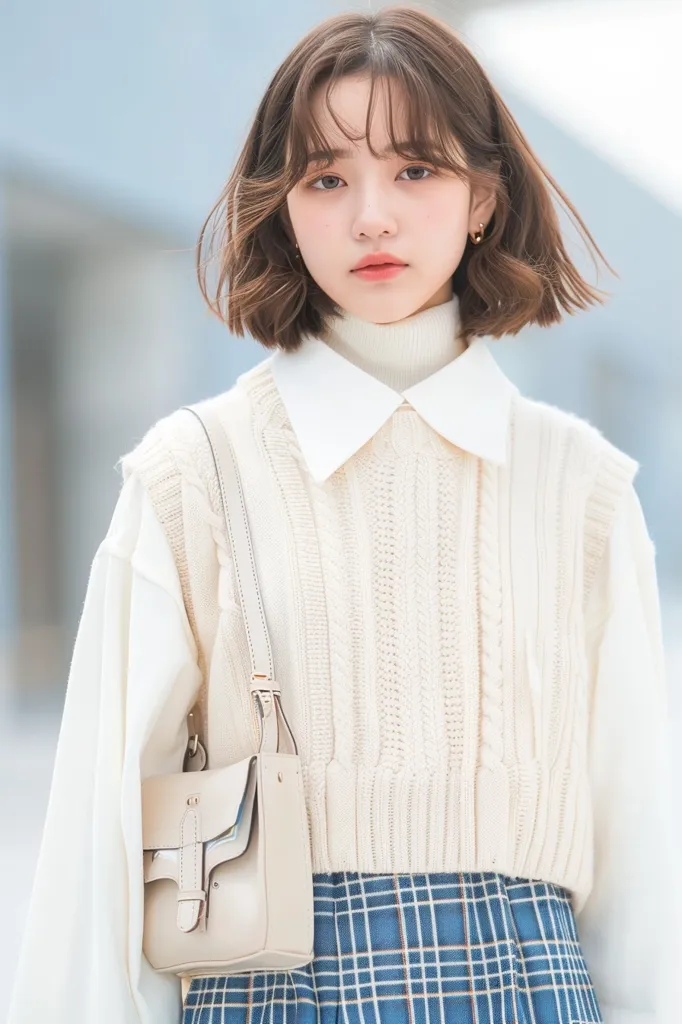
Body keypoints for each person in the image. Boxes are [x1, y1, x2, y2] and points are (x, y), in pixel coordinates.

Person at [8, 6, 680, 1023]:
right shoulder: (194, 474)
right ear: (282, 207)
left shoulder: (578, 486)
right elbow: (95, 871)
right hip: (267, 988)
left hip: (529, 990)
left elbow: (645, 878)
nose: (372, 215)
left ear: (483, 197)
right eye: (326, 178)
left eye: (415, 170)